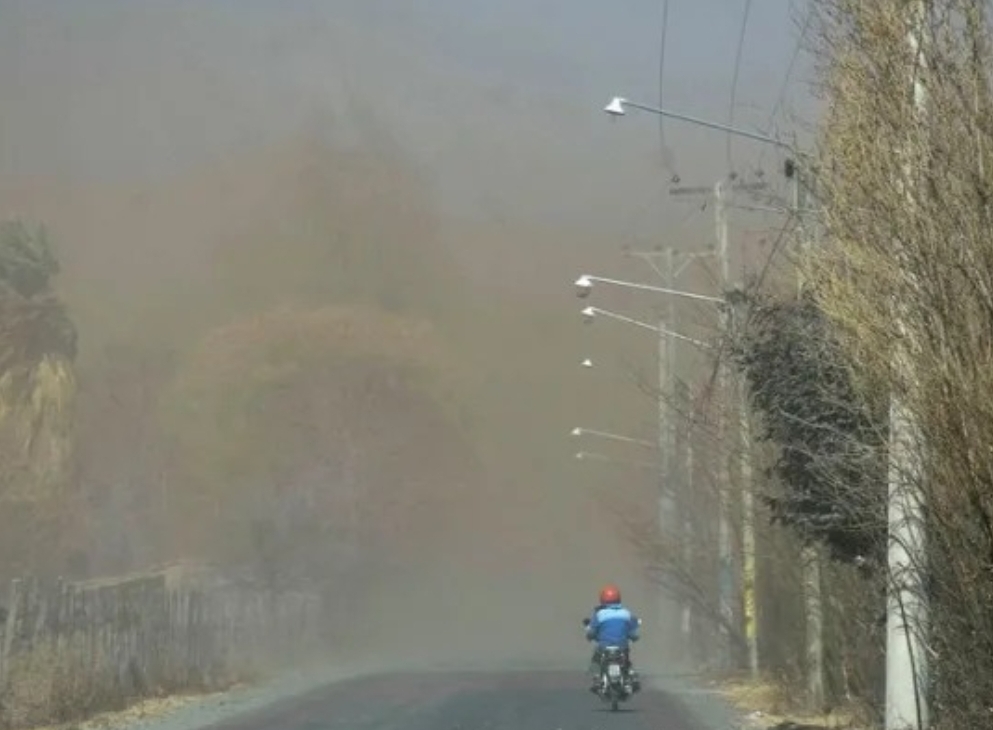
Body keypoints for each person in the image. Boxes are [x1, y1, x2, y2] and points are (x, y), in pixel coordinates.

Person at [584, 583, 642, 693]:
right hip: (622, 646)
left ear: (602, 599)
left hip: (604, 646)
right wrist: (634, 637)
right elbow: (634, 632)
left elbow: (591, 632)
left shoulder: (599, 614)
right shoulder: (626, 613)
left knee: (596, 660)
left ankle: (596, 678)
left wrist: (590, 636)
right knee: (627, 662)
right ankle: (632, 676)